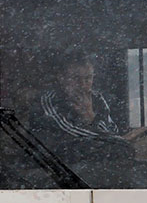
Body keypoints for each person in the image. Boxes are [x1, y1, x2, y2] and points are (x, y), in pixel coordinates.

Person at [32, 51, 136, 185]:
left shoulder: (97, 98)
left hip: (97, 164)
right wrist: (110, 138)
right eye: (76, 78)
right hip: (60, 168)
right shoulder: (51, 99)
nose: (82, 84)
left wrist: (90, 116)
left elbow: (113, 130)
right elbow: (68, 130)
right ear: (61, 78)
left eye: (88, 78)